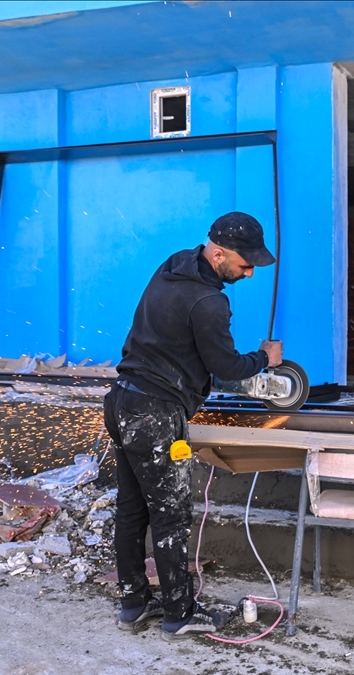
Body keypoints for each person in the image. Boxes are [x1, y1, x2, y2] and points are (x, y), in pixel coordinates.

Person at [104, 211, 283, 640]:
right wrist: (265, 360)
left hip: (122, 401)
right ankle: (179, 613)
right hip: (155, 414)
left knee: (132, 509)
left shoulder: (173, 266)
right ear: (218, 252)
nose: (250, 272)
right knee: (170, 516)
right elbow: (226, 366)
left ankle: (133, 604)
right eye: (244, 264)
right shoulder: (208, 301)